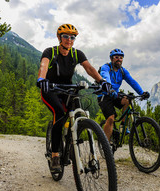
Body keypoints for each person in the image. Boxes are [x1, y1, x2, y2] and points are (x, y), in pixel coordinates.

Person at [36, 23, 112, 172]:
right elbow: (43, 67)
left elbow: (89, 69)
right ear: (59, 38)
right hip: (50, 89)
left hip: (68, 90)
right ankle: (56, 155)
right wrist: (41, 79)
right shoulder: (50, 52)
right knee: (59, 113)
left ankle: (72, 143)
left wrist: (101, 81)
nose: (69, 40)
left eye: (72, 37)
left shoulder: (77, 54)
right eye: (65, 36)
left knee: (77, 110)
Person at [98, 48, 149, 142]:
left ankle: (123, 126)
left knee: (127, 100)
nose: (119, 59)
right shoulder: (106, 68)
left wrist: (142, 93)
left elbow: (132, 81)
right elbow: (105, 77)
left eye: (121, 58)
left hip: (115, 94)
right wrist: (110, 88)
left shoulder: (122, 71)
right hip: (104, 95)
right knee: (111, 118)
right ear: (111, 58)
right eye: (116, 57)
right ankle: (106, 146)